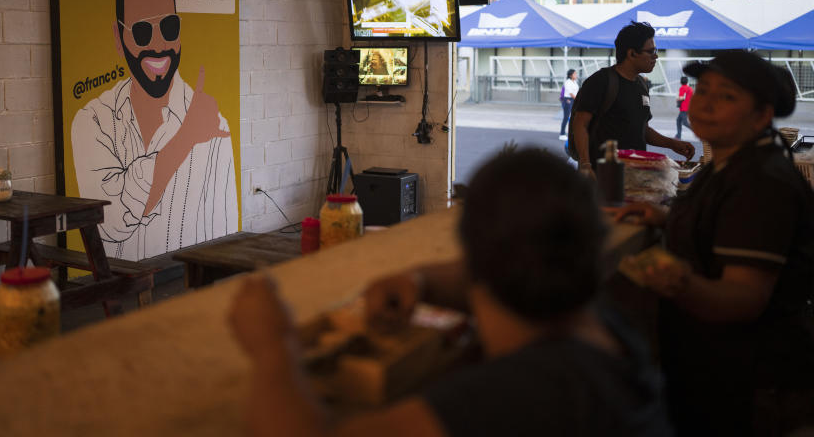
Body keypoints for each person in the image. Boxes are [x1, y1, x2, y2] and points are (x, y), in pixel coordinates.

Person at [229, 149, 673, 437]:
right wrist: (419, 282)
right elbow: (477, 275)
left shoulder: (523, 394)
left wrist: (272, 349)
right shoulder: (600, 326)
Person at [617, 50, 814, 436]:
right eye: (703, 90)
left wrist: (677, 280)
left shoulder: (761, 182)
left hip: (752, 383)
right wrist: (665, 217)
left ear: (760, 115)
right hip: (716, 369)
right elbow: (724, 225)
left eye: (726, 96)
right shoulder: (731, 162)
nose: (705, 102)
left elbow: (742, 299)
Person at [71, 0, 238, 261]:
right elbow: (108, 222)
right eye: (143, 32)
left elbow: (226, 234)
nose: (159, 44)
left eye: (169, 27)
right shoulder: (92, 121)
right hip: (115, 294)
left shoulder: (213, 125)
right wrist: (184, 139)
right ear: (119, 38)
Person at [571, 21, 694, 173]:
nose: (656, 56)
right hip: (603, 175)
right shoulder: (601, 81)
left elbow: (642, 129)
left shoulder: (641, 84)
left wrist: (672, 144)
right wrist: (585, 165)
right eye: (651, 51)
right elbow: (579, 124)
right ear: (631, 53)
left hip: (634, 175)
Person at [560, 68, 578, 140]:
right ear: (570, 75)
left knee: (573, 117)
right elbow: (570, 93)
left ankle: (572, 133)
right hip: (568, 100)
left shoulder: (575, 82)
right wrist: (577, 99)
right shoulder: (567, 82)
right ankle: (562, 134)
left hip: (573, 100)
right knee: (566, 117)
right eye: (575, 74)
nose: (576, 75)